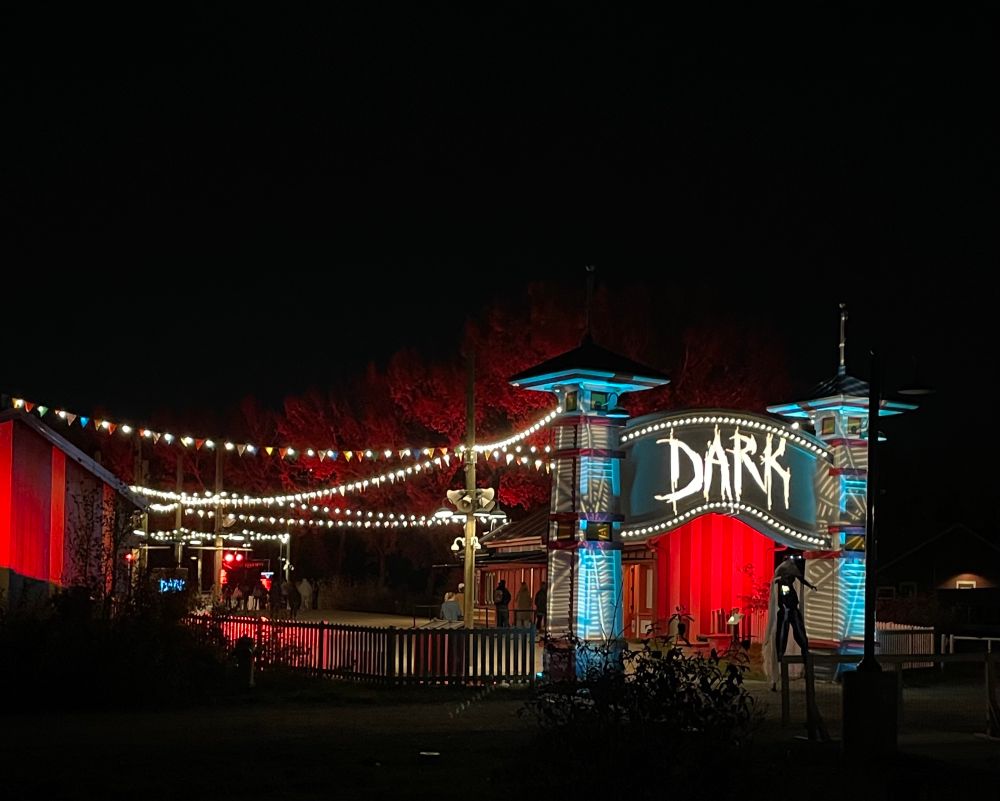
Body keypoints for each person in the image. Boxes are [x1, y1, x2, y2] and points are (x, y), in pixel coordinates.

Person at [763, 555, 816, 690]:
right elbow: (785, 597)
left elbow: (800, 578)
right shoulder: (782, 583)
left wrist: (810, 585)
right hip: (786, 612)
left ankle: (805, 659)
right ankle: (777, 672)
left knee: (801, 638)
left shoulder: (789, 579)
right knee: (781, 638)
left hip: (792, 611)